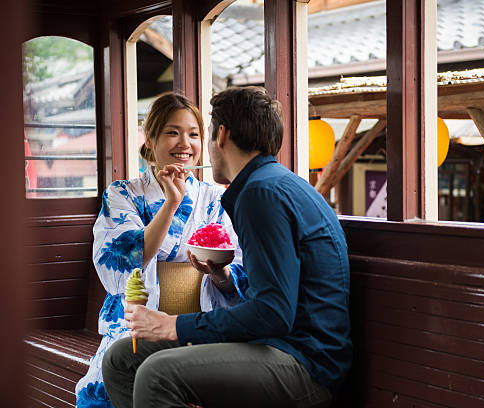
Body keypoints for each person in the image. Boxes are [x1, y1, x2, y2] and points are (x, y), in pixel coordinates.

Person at [102, 86, 352, 408]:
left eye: (197, 134)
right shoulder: (271, 184)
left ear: (221, 135)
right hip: (280, 344)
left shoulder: (261, 194)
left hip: (305, 361)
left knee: (156, 374)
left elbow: (273, 313)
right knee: (122, 358)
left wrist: (173, 325)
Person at [75, 92, 246, 407]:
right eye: (173, 132)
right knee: (108, 380)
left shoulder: (216, 199)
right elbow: (123, 260)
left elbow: (237, 269)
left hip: (196, 325)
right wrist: (171, 203)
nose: (185, 143)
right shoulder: (122, 194)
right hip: (135, 327)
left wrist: (219, 272)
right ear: (150, 139)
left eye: (194, 134)